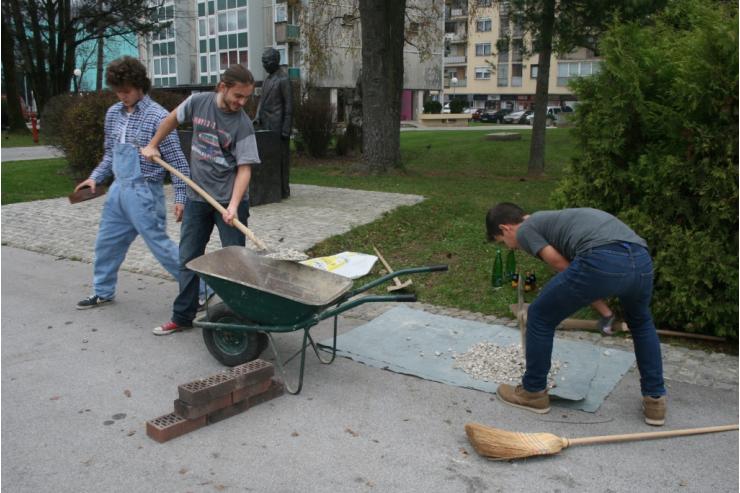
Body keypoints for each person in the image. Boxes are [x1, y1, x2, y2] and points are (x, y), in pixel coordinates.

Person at [485, 203, 667, 426]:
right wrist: (606, 313)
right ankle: (655, 402)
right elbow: (578, 273)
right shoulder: (548, 219)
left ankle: (532, 392)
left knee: (539, 315)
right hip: (640, 259)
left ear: (505, 228)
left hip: (602, 258)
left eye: (504, 242)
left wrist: (605, 310)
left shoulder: (525, 229)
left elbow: (561, 264)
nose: (511, 247)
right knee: (641, 323)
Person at [142, 64, 261, 336]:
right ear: (222, 87)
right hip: (198, 197)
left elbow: (245, 169)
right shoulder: (198, 102)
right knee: (188, 258)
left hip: (230, 202)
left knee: (235, 265)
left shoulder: (242, 124)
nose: (242, 103)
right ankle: (183, 316)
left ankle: (239, 320)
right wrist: (154, 144)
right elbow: (171, 119)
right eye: (238, 96)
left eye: (246, 98)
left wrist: (232, 206)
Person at [75, 56, 190, 310]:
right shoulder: (113, 114)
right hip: (118, 191)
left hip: (145, 194)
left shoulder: (159, 117)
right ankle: (103, 291)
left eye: (126, 91)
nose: (122, 96)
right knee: (106, 243)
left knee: (161, 246)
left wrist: (181, 199)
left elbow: (179, 164)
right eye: (117, 92)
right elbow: (109, 154)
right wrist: (94, 178)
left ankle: (200, 290)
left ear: (140, 86)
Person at [254, 48, 292, 198]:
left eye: (266, 62)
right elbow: (261, 102)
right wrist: (257, 116)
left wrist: (286, 129)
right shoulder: (267, 80)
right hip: (266, 125)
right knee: (268, 158)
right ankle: (270, 187)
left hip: (278, 127)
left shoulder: (283, 79)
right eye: (263, 62)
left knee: (281, 159)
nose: (264, 65)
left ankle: (283, 189)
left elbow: (289, 106)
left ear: (275, 61)